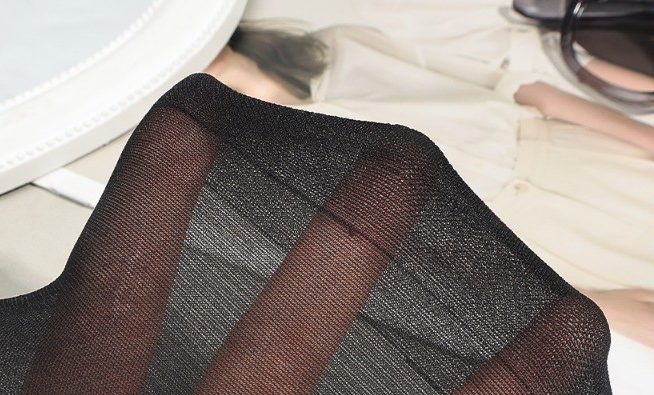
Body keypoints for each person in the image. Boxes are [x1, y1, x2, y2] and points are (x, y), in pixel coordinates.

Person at [204, 19, 654, 350]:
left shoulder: (339, 47)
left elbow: (515, 85)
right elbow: (419, 273)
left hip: (582, 156)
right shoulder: (265, 181)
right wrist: (584, 303)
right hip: (543, 244)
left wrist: (645, 137)